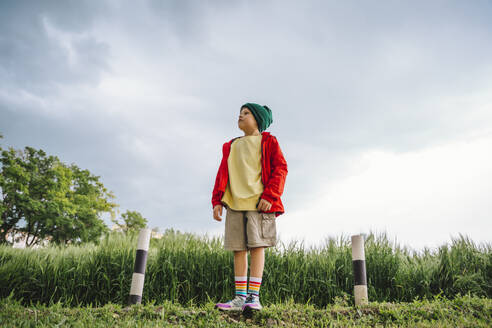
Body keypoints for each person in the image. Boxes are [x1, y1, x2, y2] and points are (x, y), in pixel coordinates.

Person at [211, 102, 288, 314]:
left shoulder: (268, 141)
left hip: (258, 203)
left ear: (258, 120)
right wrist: (217, 200)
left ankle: (254, 297)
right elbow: (222, 174)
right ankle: (239, 297)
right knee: (238, 248)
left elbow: (281, 168)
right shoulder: (231, 145)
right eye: (240, 113)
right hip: (234, 203)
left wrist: (270, 196)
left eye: (246, 113)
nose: (240, 116)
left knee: (257, 246)